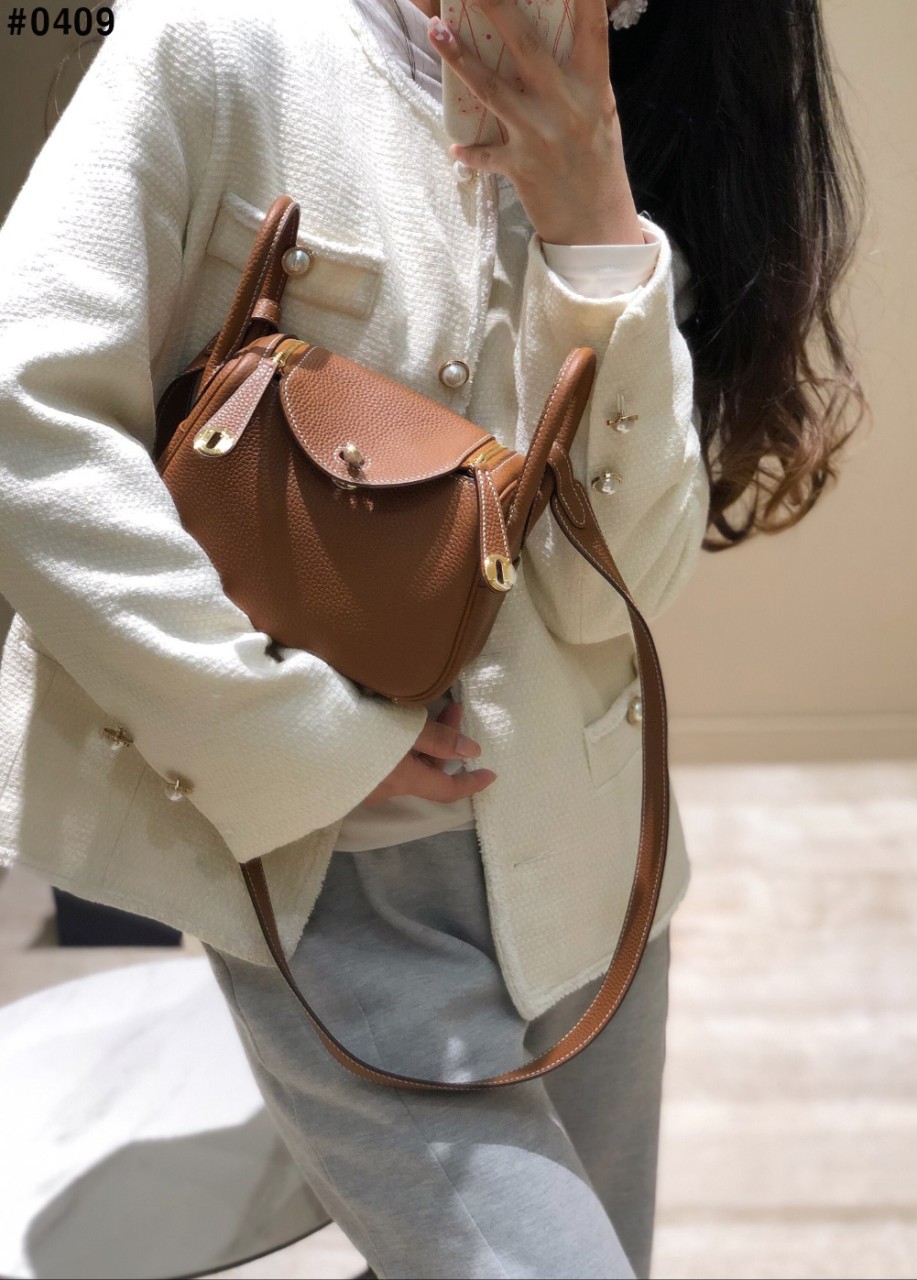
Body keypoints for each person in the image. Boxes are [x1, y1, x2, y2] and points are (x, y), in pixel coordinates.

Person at [0, 0, 864, 1276]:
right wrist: (292, 737)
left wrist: (595, 225)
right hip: (334, 890)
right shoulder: (221, 44)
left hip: (601, 880)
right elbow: (27, 425)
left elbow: (622, 588)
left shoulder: (633, 109)